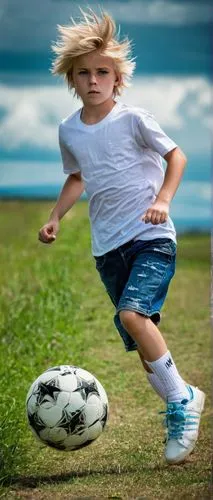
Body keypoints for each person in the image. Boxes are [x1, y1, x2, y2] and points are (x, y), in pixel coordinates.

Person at [38, 8, 205, 464]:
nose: (93, 80)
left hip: (151, 238)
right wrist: (56, 217)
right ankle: (183, 396)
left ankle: (182, 402)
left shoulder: (133, 119)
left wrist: (165, 200)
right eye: (83, 73)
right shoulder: (68, 130)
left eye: (102, 72)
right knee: (139, 338)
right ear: (71, 80)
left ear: (117, 78)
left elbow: (178, 157)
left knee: (133, 316)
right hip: (107, 249)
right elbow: (76, 177)